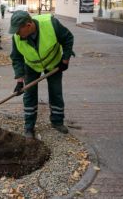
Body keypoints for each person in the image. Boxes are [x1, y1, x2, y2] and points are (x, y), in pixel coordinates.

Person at [9, 10, 74, 138]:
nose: (16, 33)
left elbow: (68, 39)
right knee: (29, 94)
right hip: (31, 66)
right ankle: (29, 126)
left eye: (18, 30)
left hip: (54, 63)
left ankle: (57, 122)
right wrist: (19, 81)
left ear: (28, 25)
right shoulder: (16, 37)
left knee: (56, 92)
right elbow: (16, 58)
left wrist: (65, 60)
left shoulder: (51, 24)